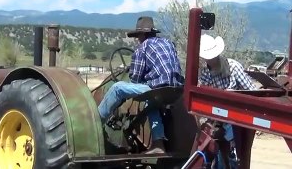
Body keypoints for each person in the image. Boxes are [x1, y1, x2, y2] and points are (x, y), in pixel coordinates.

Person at [98, 16, 184, 154]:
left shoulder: (142, 48)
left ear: (143, 34)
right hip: (176, 89)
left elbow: (135, 79)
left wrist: (133, 72)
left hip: (157, 87)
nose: (138, 39)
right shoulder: (168, 43)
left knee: (117, 88)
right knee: (152, 105)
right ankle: (158, 144)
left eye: (138, 36)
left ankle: (95, 121)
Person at [198, 34, 257, 168]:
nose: (210, 60)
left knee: (233, 146)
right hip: (218, 118)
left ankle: (233, 159)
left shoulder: (233, 67)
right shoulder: (206, 74)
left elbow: (252, 92)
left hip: (239, 117)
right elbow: (204, 98)